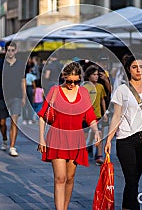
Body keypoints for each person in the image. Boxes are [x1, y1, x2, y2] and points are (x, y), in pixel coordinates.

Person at [37, 61, 101, 210]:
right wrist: (41, 139)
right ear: (63, 77)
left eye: (76, 81)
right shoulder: (55, 91)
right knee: (60, 178)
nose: (72, 84)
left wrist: (96, 131)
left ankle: (64, 207)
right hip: (57, 137)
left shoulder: (83, 92)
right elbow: (42, 116)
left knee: (70, 178)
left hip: (75, 139)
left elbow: (89, 115)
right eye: (69, 81)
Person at [105, 54, 142, 210]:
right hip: (125, 138)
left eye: (141, 67)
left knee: (134, 179)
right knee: (131, 178)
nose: (138, 70)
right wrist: (109, 139)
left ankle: (126, 207)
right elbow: (116, 115)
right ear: (129, 70)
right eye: (134, 67)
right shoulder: (122, 90)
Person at [0, 41, 26, 157]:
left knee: (14, 121)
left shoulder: (20, 64)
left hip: (16, 96)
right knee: (2, 122)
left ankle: (12, 146)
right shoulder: (0, 64)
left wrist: (24, 97)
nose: (10, 52)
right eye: (8, 50)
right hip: (2, 96)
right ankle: (4, 138)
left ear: (16, 51)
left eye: (12, 50)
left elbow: (23, 81)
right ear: (5, 51)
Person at [83, 65, 107, 166]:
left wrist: (104, 112)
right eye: (94, 75)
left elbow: (102, 100)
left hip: (97, 115)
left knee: (99, 134)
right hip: (85, 116)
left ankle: (99, 156)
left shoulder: (100, 87)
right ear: (88, 76)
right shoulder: (84, 87)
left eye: (97, 75)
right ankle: (83, 153)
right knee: (85, 136)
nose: (96, 77)